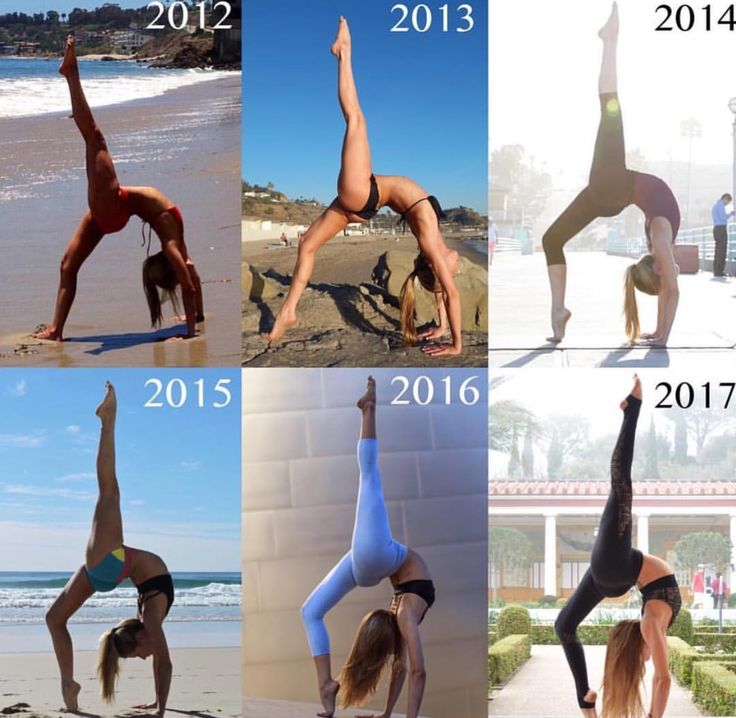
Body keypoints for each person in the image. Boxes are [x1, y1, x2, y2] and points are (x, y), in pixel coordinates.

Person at [262, 18, 463, 357]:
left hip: (364, 194)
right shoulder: (432, 244)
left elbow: (449, 291)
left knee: (356, 118)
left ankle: (344, 52)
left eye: (452, 271)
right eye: (454, 270)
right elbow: (444, 292)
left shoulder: (430, 240)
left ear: (439, 265)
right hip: (367, 200)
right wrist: (441, 325)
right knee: (307, 245)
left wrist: (456, 345)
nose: (459, 267)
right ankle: (288, 311)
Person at [34, 36, 204, 342]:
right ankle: (56, 329)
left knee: (94, 137)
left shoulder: (172, 247)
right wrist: (199, 318)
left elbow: (190, 286)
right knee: (67, 266)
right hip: (113, 211)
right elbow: (192, 281)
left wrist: (191, 334)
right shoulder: (181, 251)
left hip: (115, 206)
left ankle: (71, 75)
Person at [542, 3, 680, 347]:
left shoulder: (662, 243)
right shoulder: (661, 250)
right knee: (551, 240)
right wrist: (660, 333)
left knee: (610, 105)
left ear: (657, 267)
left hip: (614, 185)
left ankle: (610, 41)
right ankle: (558, 311)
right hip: (610, 194)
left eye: (662, 277)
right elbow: (669, 289)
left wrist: (664, 336)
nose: (669, 276)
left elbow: (672, 289)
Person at [300, 377, 434, 718]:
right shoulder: (403, 616)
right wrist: (390, 716)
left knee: (369, 474)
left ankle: (369, 409)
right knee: (310, 611)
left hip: (378, 556)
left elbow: (417, 671)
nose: (392, 657)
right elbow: (406, 669)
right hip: (374, 561)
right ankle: (327, 686)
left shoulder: (403, 614)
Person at [555, 375, 682, 718]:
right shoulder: (650, 621)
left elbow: (663, 680)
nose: (647, 664)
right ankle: (585, 701)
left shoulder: (648, 626)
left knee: (621, 485)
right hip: (615, 573)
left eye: (639, 664)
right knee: (562, 626)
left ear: (635, 646)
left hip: (616, 570)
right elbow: (661, 677)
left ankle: (632, 409)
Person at [45, 383, 174, 714]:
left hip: (110, 565)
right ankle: (68, 683)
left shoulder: (150, 620)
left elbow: (163, 663)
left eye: (136, 656)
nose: (146, 657)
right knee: (54, 618)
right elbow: (165, 663)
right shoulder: (150, 622)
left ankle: (109, 419)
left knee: (109, 490)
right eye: (141, 655)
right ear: (141, 638)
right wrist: (160, 707)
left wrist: (160, 707)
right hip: (109, 567)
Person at [711, 193, 733, 278]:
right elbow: (723, 218)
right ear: (725, 198)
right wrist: (731, 214)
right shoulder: (721, 206)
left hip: (716, 228)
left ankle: (716, 270)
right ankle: (719, 271)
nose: (727, 203)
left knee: (717, 250)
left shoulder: (715, 205)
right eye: (728, 201)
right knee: (722, 250)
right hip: (721, 229)